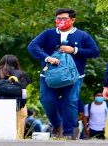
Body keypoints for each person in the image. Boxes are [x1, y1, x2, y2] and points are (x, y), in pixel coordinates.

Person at [27, 8, 100, 139]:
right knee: (46, 100)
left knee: (70, 101)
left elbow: (94, 52)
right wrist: (47, 58)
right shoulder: (48, 34)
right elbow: (32, 47)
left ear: (72, 20)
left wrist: (75, 50)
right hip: (49, 76)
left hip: (74, 76)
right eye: (58, 19)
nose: (61, 21)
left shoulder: (82, 35)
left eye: (64, 19)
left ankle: (69, 132)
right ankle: (56, 124)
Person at [0, 54, 31, 138]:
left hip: (0, 107)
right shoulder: (22, 74)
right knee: (18, 135)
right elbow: (24, 90)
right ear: (16, 63)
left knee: (0, 133)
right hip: (19, 106)